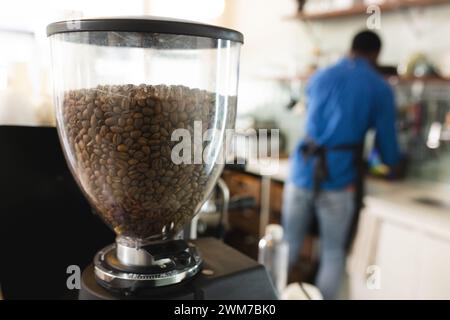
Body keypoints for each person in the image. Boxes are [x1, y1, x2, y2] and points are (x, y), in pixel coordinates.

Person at [282, 30, 400, 299]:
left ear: (351, 48)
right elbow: (387, 140)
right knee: (333, 253)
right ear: (376, 54)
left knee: (287, 245)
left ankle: (262, 300)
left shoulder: (321, 75)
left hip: (302, 169)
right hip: (339, 175)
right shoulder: (379, 87)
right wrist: (392, 166)